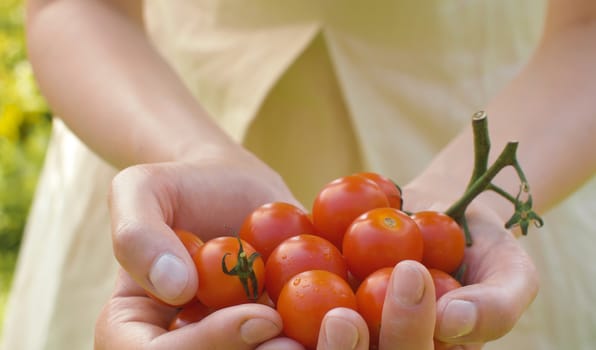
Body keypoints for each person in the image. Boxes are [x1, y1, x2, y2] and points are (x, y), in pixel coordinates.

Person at [2, 0, 595, 349]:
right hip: (155, 116)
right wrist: (193, 157)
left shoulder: (438, 235)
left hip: (536, 125)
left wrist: (459, 206)